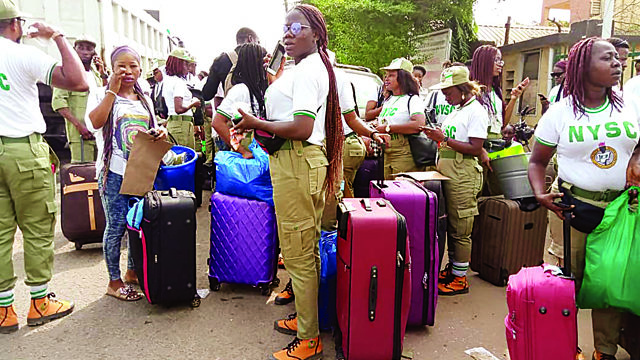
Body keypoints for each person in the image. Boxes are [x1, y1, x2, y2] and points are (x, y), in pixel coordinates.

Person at [233, 4, 341, 359]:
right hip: (294, 162)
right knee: (303, 251)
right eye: (286, 27)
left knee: (298, 253)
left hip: (297, 160)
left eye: (298, 26)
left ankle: (309, 339)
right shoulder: (301, 68)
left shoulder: (310, 70)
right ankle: (307, 318)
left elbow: (302, 127)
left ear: (317, 33)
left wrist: (256, 124)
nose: (289, 33)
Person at [528, 37, 640, 360]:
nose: (617, 63)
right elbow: (537, 161)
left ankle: (603, 351)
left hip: (620, 209)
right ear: (583, 66)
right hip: (572, 209)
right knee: (566, 287)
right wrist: (540, 193)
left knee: (609, 283)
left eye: (617, 60)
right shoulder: (561, 113)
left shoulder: (628, 104)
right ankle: (562, 346)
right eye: (607, 59)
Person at [0, 0, 88, 333]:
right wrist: (59, 37)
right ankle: (39, 302)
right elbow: (77, 81)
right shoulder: (23, 55)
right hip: (23, 150)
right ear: (15, 25)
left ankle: (3, 310)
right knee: (36, 228)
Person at [87, 45, 167, 302]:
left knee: (138, 223)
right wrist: (111, 90)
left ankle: (133, 272)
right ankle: (114, 280)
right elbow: (95, 123)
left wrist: (160, 134)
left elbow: (152, 127)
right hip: (113, 173)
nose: (127, 71)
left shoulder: (144, 97)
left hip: (141, 172)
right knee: (117, 226)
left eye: (133, 66)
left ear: (140, 69)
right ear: (112, 68)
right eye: (121, 66)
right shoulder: (101, 93)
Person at [422, 66, 488, 296]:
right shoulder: (457, 110)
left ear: (463, 89)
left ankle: (460, 279)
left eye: (449, 92)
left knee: (460, 227)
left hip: (462, 173)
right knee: (448, 224)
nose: (446, 97)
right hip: (448, 171)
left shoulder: (476, 111)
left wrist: (445, 139)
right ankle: (453, 268)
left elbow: (476, 147)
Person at [470, 45, 528, 194]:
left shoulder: (495, 91)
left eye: (501, 60)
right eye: (496, 60)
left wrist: (514, 98)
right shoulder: (472, 92)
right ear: (484, 62)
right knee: (477, 192)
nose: (500, 64)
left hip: (496, 148)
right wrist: (480, 150)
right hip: (478, 148)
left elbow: (502, 123)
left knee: (496, 194)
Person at [51, 35, 107, 163]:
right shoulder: (68, 73)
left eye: (89, 49)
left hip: (98, 132)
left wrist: (102, 72)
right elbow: (59, 103)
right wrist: (79, 126)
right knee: (82, 173)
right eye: (81, 48)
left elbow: (105, 95)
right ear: (74, 50)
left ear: (94, 53)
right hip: (81, 134)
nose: (85, 52)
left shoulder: (95, 74)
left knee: (99, 172)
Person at [212, 42, 268, 159]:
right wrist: (241, 150)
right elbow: (217, 123)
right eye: (263, 61)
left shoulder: (259, 88)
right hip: (248, 158)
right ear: (254, 64)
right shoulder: (240, 90)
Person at [374, 57, 427, 179]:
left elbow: (418, 124)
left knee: (401, 192)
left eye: (391, 75)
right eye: (386, 75)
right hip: (387, 152)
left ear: (403, 78)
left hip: (404, 153)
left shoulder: (412, 99)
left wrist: (387, 128)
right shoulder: (389, 100)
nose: (386, 78)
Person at [202, 27, 260, 100]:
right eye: (258, 42)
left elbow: (207, 95)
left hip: (231, 108)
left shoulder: (220, 60)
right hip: (256, 108)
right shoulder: (260, 58)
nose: (259, 46)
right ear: (250, 38)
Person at [162, 48, 201, 149]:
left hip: (174, 123)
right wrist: (194, 103)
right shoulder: (178, 82)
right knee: (185, 158)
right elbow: (178, 109)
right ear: (178, 64)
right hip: (181, 125)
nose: (188, 68)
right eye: (185, 64)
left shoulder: (168, 81)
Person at [426, 61, 466, 125]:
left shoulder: (472, 110)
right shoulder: (434, 94)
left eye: (449, 94)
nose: (446, 99)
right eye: (444, 94)